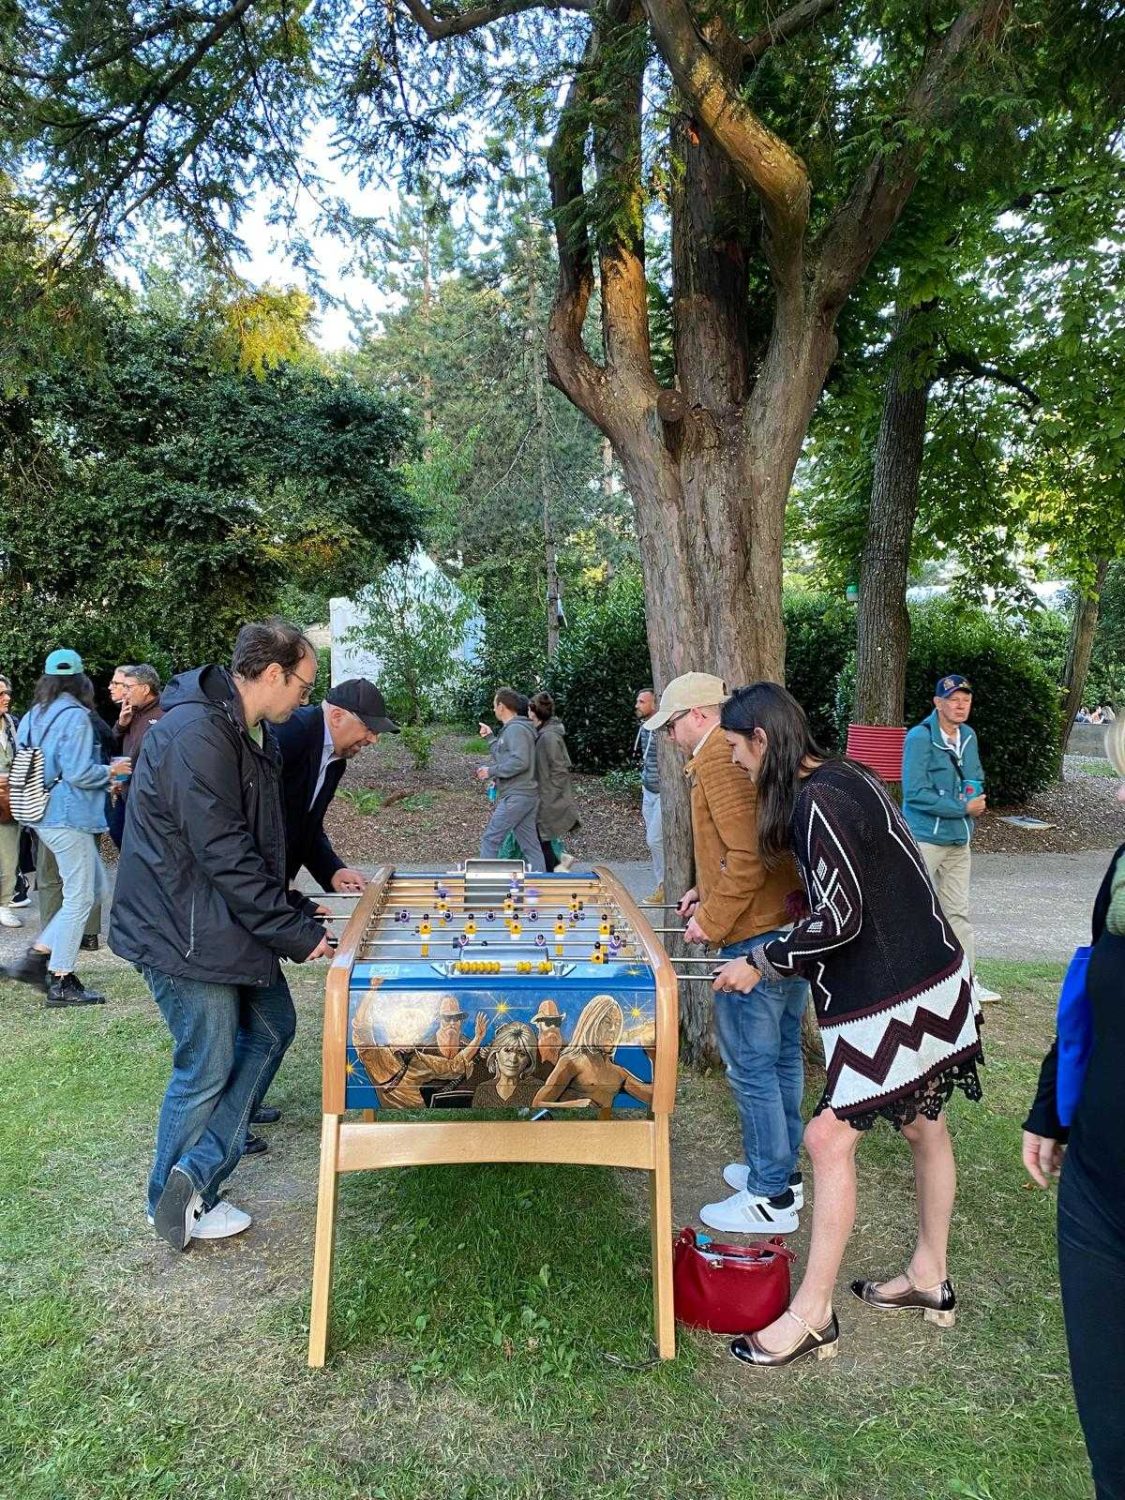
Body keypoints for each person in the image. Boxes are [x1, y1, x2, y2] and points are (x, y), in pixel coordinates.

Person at [712, 683, 983, 1368]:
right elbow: (858, 887)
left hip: (894, 998)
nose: (736, 762)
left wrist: (762, 961)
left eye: (737, 748)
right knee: (924, 1127)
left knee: (825, 1139)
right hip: (934, 976)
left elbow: (843, 917)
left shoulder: (815, 804)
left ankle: (813, 1315)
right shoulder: (846, 775)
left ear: (762, 739)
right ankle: (929, 1276)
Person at [109, 619, 332, 1251]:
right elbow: (224, 855)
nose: (306, 698)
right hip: (180, 934)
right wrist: (293, 932)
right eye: (304, 685)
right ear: (272, 673)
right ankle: (172, 1204)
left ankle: (196, 1172)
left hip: (216, 923)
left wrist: (293, 907)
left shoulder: (250, 732)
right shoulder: (196, 733)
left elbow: (255, 846)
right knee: (204, 1066)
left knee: (272, 1027)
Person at [645, 672, 809, 1235]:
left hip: (752, 933)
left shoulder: (718, 756)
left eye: (671, 725)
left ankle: (769, 1194)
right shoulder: (729, 752)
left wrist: (710, 921)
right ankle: (782, 1172)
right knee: (782, 1056)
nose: (669, 738)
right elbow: (743, 844)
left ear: (698, 715)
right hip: (784, 926)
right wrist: (703, 890)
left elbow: (748, 855)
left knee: (752, 1066)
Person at [1022, 717, 1125, 1500]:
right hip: (1097, 1187)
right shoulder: (1123, 868)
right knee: (1112, 1441)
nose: (1118, 796)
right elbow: (1089, 985)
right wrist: (1049, 1108)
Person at [4, 650, 129, 1006]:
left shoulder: (33, 715)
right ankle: (61, 979)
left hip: (41, 812)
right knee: (80, 896)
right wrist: (112, 771)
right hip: (69, 815)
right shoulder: (75, 716)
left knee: (94, 886)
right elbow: (79, 773)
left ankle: (37, 957)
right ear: (80, 680)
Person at [902, 673, 1000, 1004]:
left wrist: (974, 796)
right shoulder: (920, 737)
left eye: (966, 700)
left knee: (958, 913)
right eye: (953, 700)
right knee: (914, 910)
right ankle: (909, 986)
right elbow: (914, 793)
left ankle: (967, 984)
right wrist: (962, 807)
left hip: (959, 840)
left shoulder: (968, 735)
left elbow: (974, 775)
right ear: (938, 703)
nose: (960, 706)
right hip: (925, 840)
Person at [274, 678, 398, 899]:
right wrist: (282, 900)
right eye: (369, 728)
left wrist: (332, 870)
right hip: (248, 887)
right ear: (337, 716)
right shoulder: (289, 733)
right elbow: (255, 823)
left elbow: (307, 825)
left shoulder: (336, 761)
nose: (373, 739)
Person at [532, 994, 653, 1110]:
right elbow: (537, 1103)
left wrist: (654, 1055)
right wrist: (575, 1105)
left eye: (617, 1024)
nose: (613, 1029)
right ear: (592, 1024)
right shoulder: (572, 1062)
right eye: (607, 1022)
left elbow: (653, 1097)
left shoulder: (618, 1074)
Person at [476, 687, 544, 871]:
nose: (493, 709)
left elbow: (520, 761)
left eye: (494, 705)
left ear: (501, 706)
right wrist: (490, 737)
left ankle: (485, 884)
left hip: (517, 795)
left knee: (491, 839)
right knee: (530, 846)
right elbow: (505, 759)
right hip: (526, 794)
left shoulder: (516, 729)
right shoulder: (515, 729)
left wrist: (491, 771)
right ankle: (542, 883)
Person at [107, 664, 164, 848]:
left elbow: (142, 754)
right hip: (127, 792)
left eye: (128, 687)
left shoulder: (163, 714)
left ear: (145, 689)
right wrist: (121, 725)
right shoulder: (131, 712)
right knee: (118, 832)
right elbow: (117, 748)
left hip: (147, 796)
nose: (125, 692)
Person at [528, 692, 579, 873]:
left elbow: (560, 770)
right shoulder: (544, 734)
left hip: (547, 798)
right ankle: (560, 865)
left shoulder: (549, 737)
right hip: (543, 796)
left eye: (529, 710)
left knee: (540, 841)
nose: (528, 714)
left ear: (535, 712)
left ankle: (554, 875)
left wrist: (549, 795)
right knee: (540, 841)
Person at [634, 687, 664, 904]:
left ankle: (665, 885)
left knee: (655, 840)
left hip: (664, 794)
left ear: (655, 704)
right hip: (648, 791)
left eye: (642, 702)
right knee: (654, 840)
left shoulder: (663, 728)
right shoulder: (645, 727)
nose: (637, 705)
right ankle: (661, 884)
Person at [471, 1021, 540, 1108]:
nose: (513, 1059)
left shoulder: (537, 1088)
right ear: (496, 1053)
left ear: (529, 1060)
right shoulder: (483, 1090)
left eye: (521, 1053)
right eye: (507, 1050)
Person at [0, 675, 21, 929]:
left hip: (8, 801)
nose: (7, 698)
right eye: (1, 694)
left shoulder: (13, 724)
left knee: (9, 857)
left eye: (7, 692)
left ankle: (4, 904)